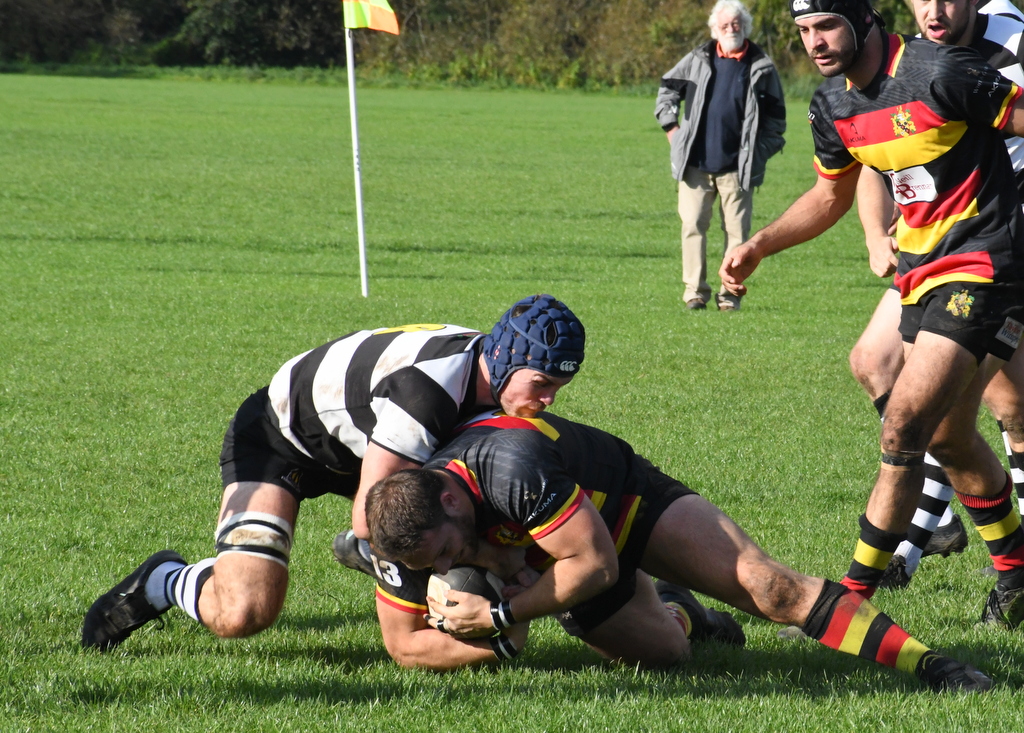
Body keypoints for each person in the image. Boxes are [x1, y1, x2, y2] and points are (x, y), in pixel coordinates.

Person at [719, 0, 1024, 627]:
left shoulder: (941, 70)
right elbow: (828, 194)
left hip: (985, 267)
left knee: (904, 426)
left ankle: (849, 603)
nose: (815, 42)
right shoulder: (834, 104)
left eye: (826, 26)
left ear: (864, 20)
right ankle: (1017, 571)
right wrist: (759, 245)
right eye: (804, 31)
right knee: (948, 436)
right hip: (920, 272)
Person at [80, 294, 585, 651]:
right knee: (243, 613)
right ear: (505, 360)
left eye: (558, 388)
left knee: (457, 520)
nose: (548, 400)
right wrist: (494, 559)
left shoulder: (490, 375)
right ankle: (163, 581)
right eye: (541, 384)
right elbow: (372, 517)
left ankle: (377, 557)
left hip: (366, 448)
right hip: (281, 440)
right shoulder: (428, 394)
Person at [361, 410, 990, 691]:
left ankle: (932, 666)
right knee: (667, 655)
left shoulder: (509, 469)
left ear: (451, 500)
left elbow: (595, 564)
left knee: (769, 587)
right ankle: (684, 611)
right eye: (430, 567)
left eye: (445, 553)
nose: (443, 569)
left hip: (619, 506)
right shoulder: (406, 527)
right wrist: (496, 642)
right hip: (558, 555)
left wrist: (500, 613)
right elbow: (402, 645)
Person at [851, 0, 1024, 589]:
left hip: (998, 248)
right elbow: (871, 159)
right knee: (875, 363)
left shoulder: (1012, 43)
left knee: (992, 410)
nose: (933, 8)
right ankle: (941, 521)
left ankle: (915, 542)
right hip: (937, 253)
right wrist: (874, 234)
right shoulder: (907, 58)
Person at [654, 0, 786, 311]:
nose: (731, 29)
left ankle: (729, 296)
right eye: (724, 25)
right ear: (714, 29)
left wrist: (757, 154)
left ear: (745, 26)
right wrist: (673, 131)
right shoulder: (697, 59)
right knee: (692, 226)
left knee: (738, 234)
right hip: (695, 165)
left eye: (736, 23)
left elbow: (776, 121)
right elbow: (667, 90)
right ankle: (695, 293)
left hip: (737, 169)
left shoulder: (761, 65)